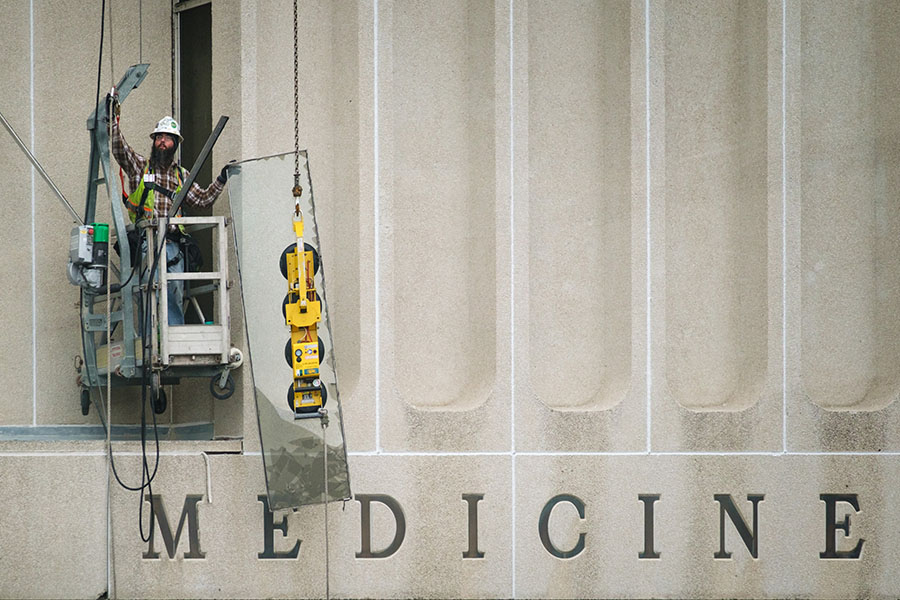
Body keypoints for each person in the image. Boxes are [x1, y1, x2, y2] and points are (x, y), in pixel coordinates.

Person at [110, 107, 229, 325]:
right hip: (148, 240)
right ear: (154, 140)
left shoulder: (181, 176)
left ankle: (170, 333)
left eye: (168, 138)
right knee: (152, 284)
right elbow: (120, 149)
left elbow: (202, 200)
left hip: (173, 243)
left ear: (175, 143)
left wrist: (221, 179)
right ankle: (159, 336)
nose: (163, 142)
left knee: (173, 287)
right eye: (159, 137)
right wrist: (111, 121)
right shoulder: (140, 168)